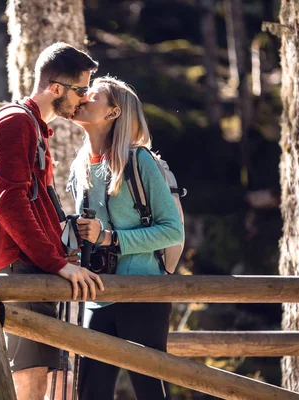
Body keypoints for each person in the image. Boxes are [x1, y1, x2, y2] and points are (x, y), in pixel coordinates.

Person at [0, 42, 104, 400]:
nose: (85, 98)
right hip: (21, 271)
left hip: (37, 269)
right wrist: (57, 264)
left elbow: (32, 203)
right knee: (31, 382)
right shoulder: (16, 122)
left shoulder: (32, 125)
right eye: (81, 89)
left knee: (57, 383)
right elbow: (10, 202)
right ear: (56, 88)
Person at [68, 76, 184, 399]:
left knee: (151, 393)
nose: (83, 97)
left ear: (113, 113)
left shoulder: (139, 161)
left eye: (93, 96)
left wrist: (110, 238)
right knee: (89, 393)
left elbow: (172, 230)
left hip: (143, 295)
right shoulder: (78, 169)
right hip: (97, 297)